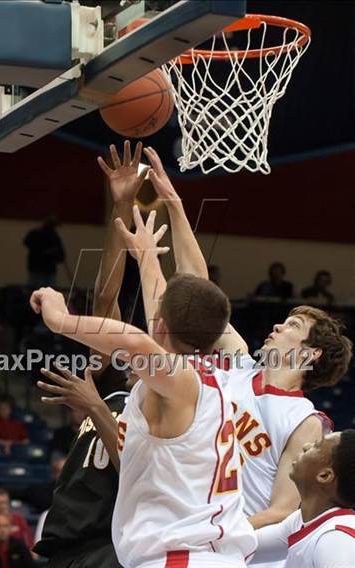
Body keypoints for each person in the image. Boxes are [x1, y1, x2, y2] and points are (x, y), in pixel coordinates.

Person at [126, 147, 352, 567]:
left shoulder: (304, 422)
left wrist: (212, 535)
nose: (277, 327)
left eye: (291, 328)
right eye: (283, 321)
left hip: (240, 554)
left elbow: (284, 511)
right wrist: (174, 203)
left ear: (312, 353)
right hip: (198, 544)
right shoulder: (237, 362)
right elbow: (196, 289)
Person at [30, 216, 256, 565]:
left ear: (161, 328)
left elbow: (136, 340)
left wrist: (59, 318)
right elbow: (159, 319)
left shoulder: (180, 381)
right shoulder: (216, 374)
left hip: (180, 558)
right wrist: (147, 256)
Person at [33, 141, 148, 568]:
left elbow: (137, 469)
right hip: (65, 542)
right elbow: (105, 295)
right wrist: (121, 206)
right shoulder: (115, 383)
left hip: (108, 545)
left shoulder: (165, 411)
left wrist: (94, 407)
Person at [253, 430, 355, 568]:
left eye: (317, 446)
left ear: (324, 476)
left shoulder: (335, 540)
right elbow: (243, 545)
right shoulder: (301, 520)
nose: (306, 446)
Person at [23, 216, 65, 287]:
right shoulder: (52, 237)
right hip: (40, 271)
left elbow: (61, 256)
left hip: (43, 271)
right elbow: (61, 256)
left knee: (36, 293)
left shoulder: (52, 237)